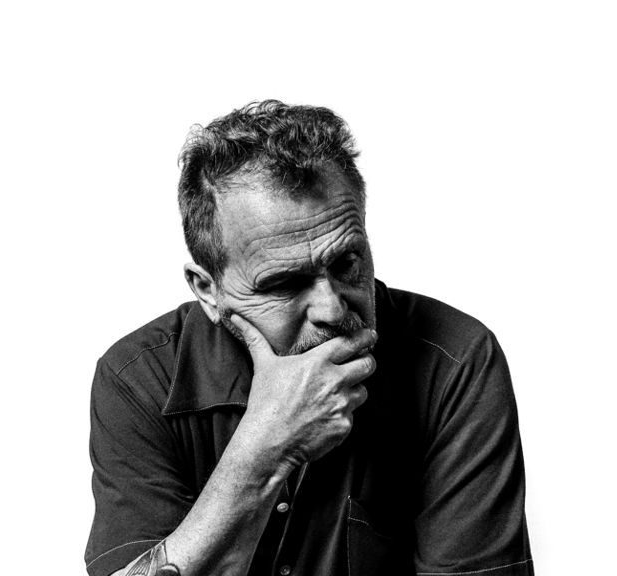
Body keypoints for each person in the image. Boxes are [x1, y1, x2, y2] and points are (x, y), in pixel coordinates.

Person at [84, 101, 533, 576]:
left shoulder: (455, 361)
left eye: (346, 263)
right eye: (284, 284)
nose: (333, 309)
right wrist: (263, 451)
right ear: (208, 290)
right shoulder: (138, 379)